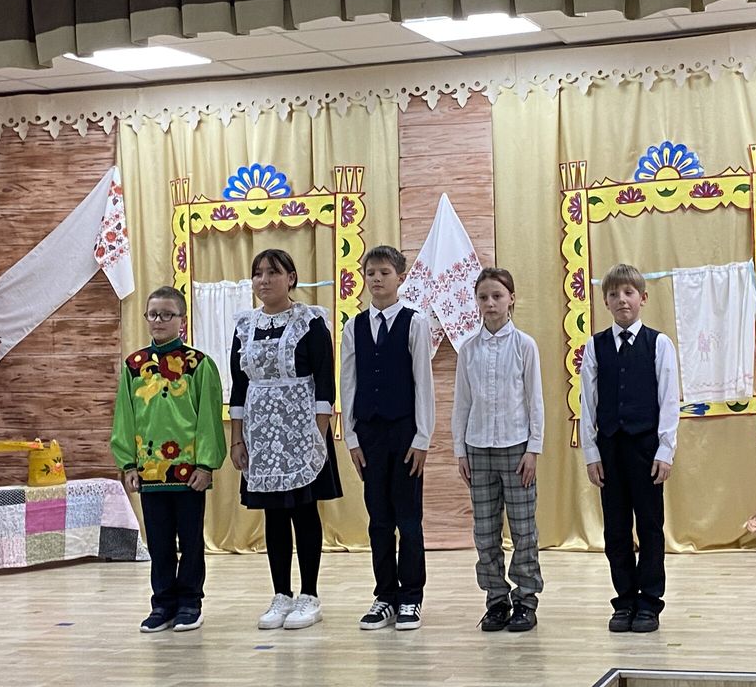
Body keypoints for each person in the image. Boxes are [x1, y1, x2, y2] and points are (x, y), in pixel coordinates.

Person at [229, 249, 343, 630]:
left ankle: (309, 595)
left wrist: (318, 436)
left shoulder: (311, 322)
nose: (264, 280)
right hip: (261, 433)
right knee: (273, 514)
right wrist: (238, 439)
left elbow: (325, 383)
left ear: (291, 278)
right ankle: (281, 594)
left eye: (273, 273)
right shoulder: (244, 326)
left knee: (304, 511)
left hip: (301, 429)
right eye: (258, 273)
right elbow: (239, 386)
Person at [111, 286, 226, 633]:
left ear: (181, 320)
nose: (158, 320)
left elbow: (208, 418)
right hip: (149, 470)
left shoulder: (198, 365)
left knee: (190, 541)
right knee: (159, 542)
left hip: (189, 472)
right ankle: (162, 603)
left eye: (166, 314)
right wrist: (128, 464)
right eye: (153, 314)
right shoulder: (134, 366)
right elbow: (125, 417)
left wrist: (206, 464)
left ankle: (190, 601)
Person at [579, 263, 680, 633]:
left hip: (646, 449)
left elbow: (669, 400)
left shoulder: (659, 344)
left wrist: (665, 450)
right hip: (610, 450)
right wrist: (591, 453)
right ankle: (624, 600)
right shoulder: (595, 346)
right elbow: (587, 403)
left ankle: (649, 603)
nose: (621, 299)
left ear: (643, 298)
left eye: (628, 293)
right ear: (605, 301)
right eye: (613, 294)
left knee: (650, 526)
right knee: (616, 529)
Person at [340, 245, 435, 631]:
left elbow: (423, 382)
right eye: (371, 273)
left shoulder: (415, 322)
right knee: (378, 519)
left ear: (400, 278)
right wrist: (351, 437)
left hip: (405, 433)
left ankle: (411, 596)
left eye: (384, 272)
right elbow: (348, 382)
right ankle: (385, 596)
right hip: (370, 434)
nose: (377, 279)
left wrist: (422, 437)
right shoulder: (354, 327)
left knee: (408, 519)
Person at [452, 268, 544, 632]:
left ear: (511, 299)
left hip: (516, 448)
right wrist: (460, 450)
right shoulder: (468, 350)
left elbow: (535, 401)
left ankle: (526, 599)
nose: (490, 303)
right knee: (486, 531)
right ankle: (496, 600)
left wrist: (533, 449)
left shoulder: (524, 345)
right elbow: (462, 403)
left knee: (523, 530)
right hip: (478, 449)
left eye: (497, 296)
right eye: (483, 297)